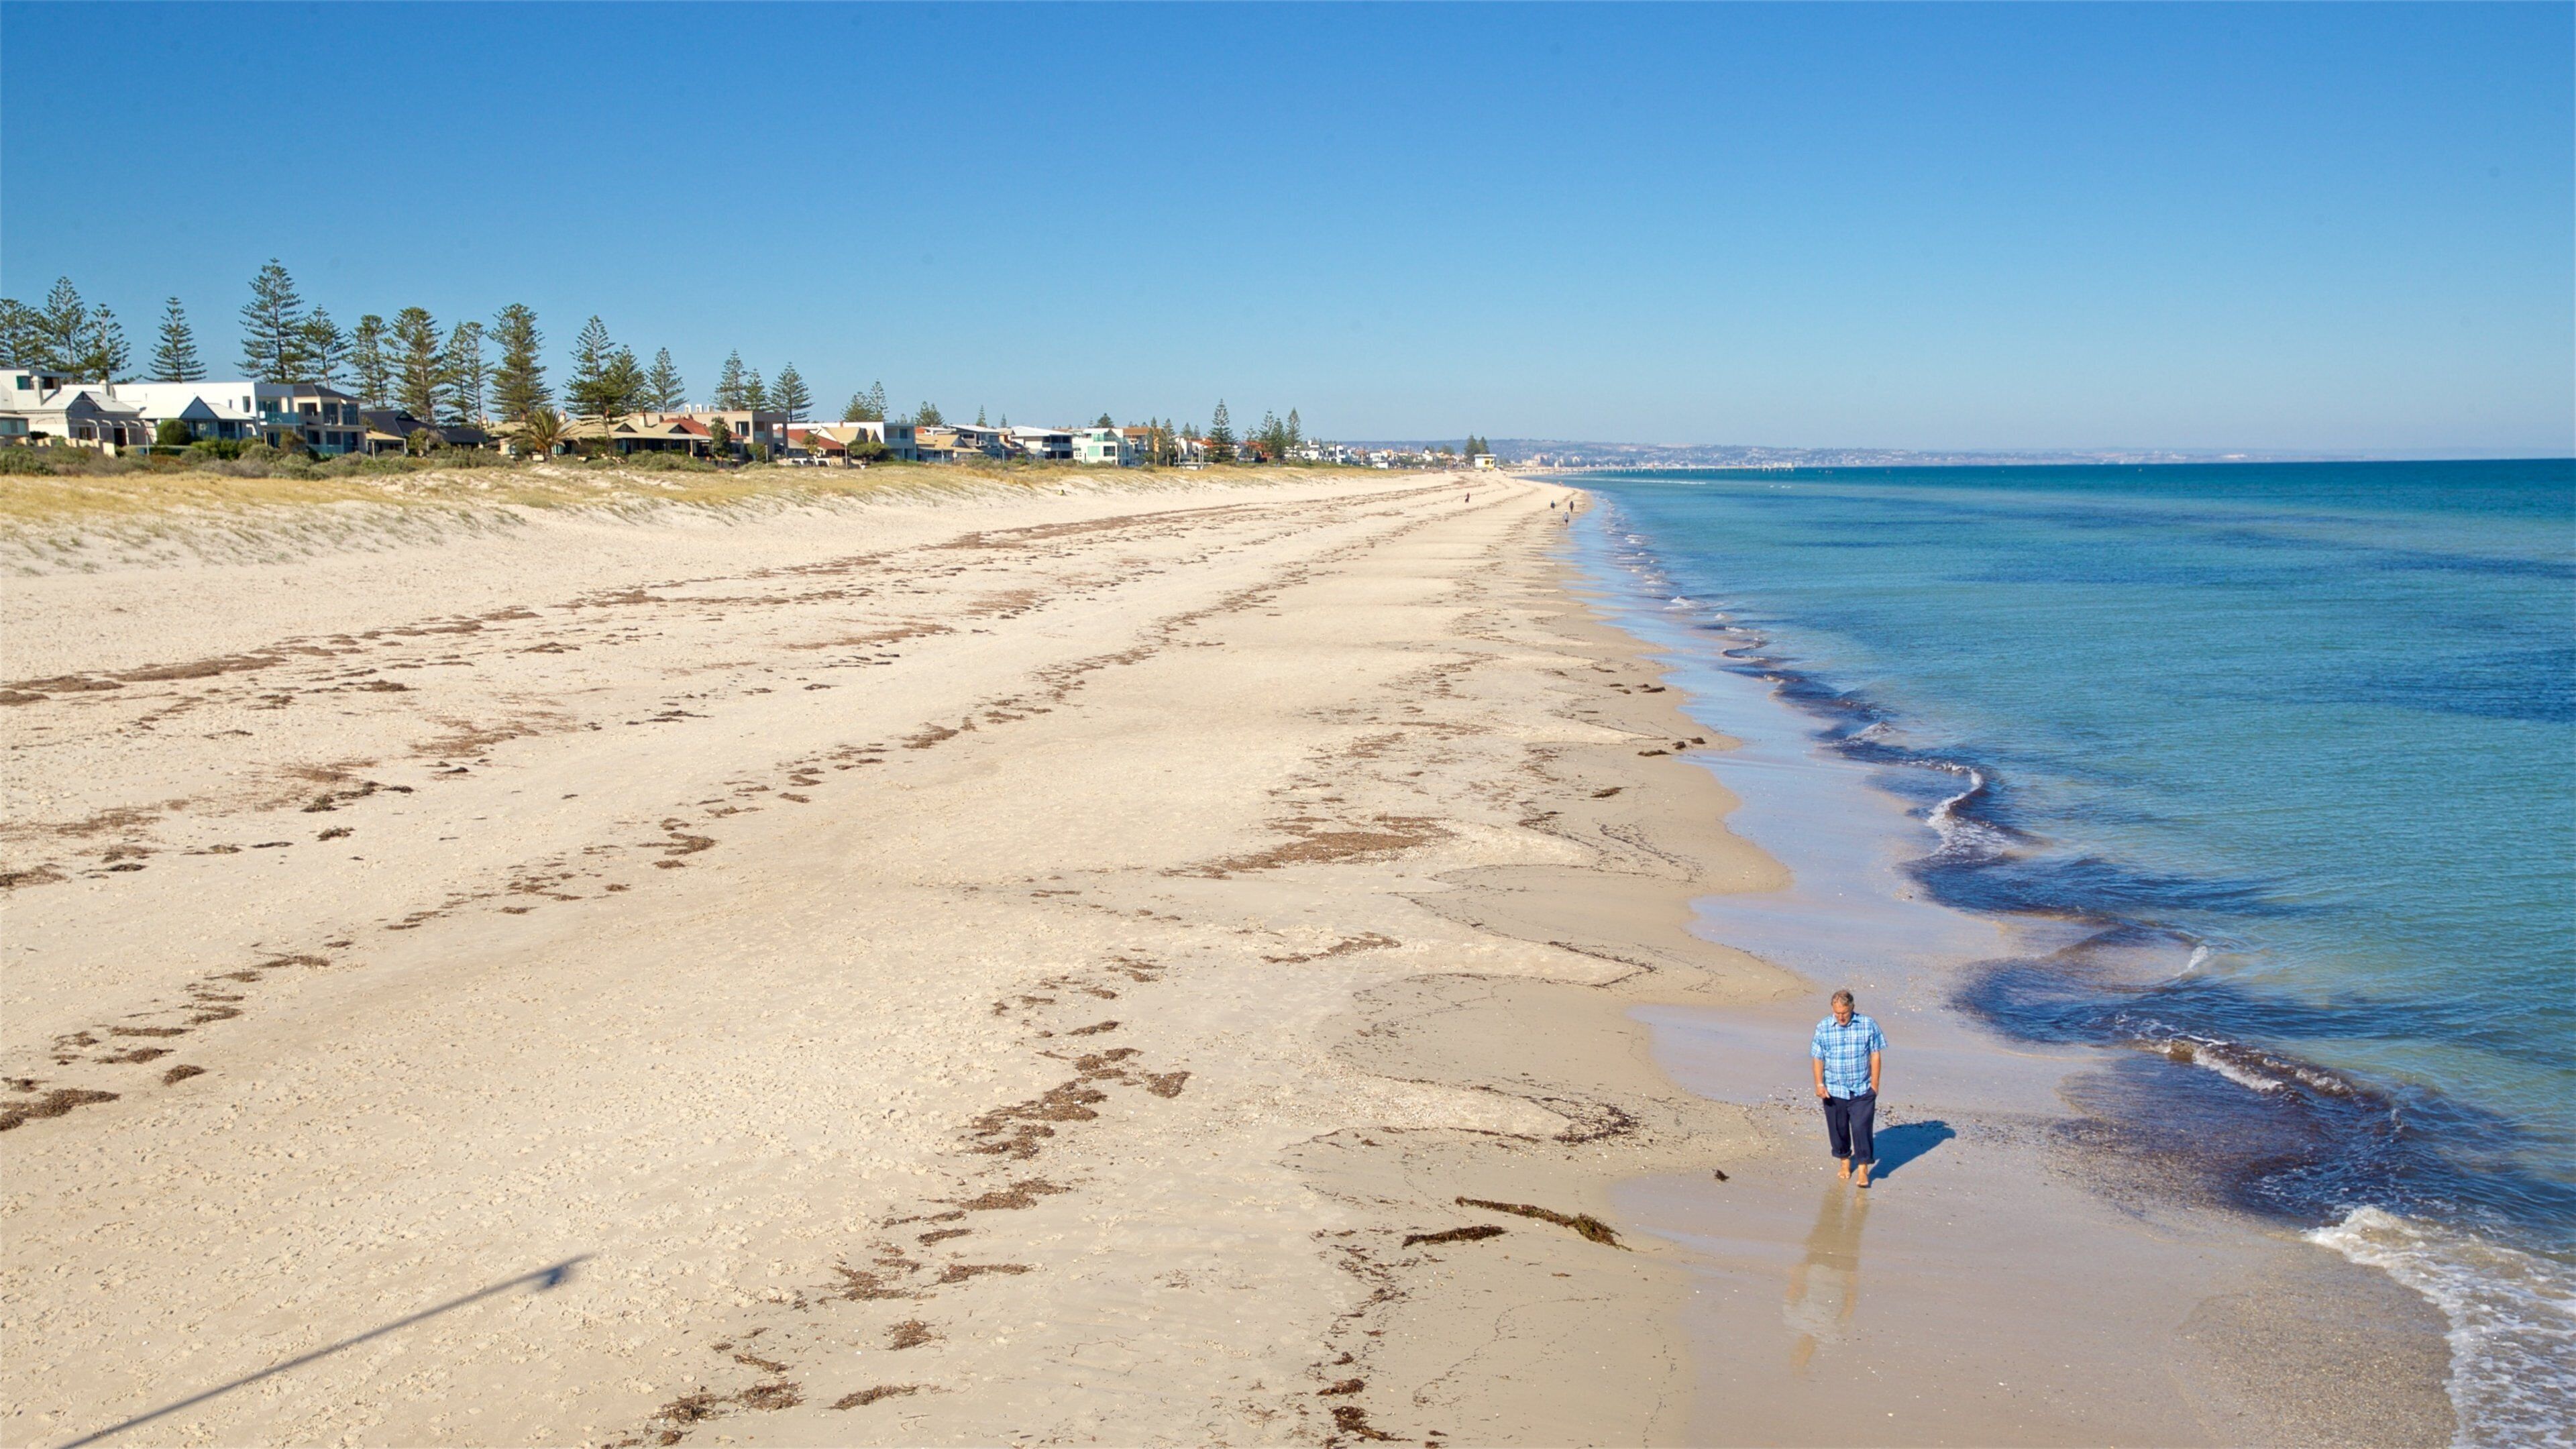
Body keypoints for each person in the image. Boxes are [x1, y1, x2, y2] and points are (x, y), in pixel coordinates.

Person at [1809, 989, 1884, 1185]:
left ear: (1852, 1008)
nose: (1841, 1017)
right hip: (1834, 1089)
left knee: (1861, 1127)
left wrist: (1874, 1085)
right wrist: (1819, 1084)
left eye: (1844, 1013)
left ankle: (1863, 1168)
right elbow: (1818, 1057)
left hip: (1862, 1088)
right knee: (1838, 1128)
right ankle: (1844, 1162)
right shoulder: (1824, 1027)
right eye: (1837, 1013)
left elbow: (1875, 1054)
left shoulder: (1868, 1025)